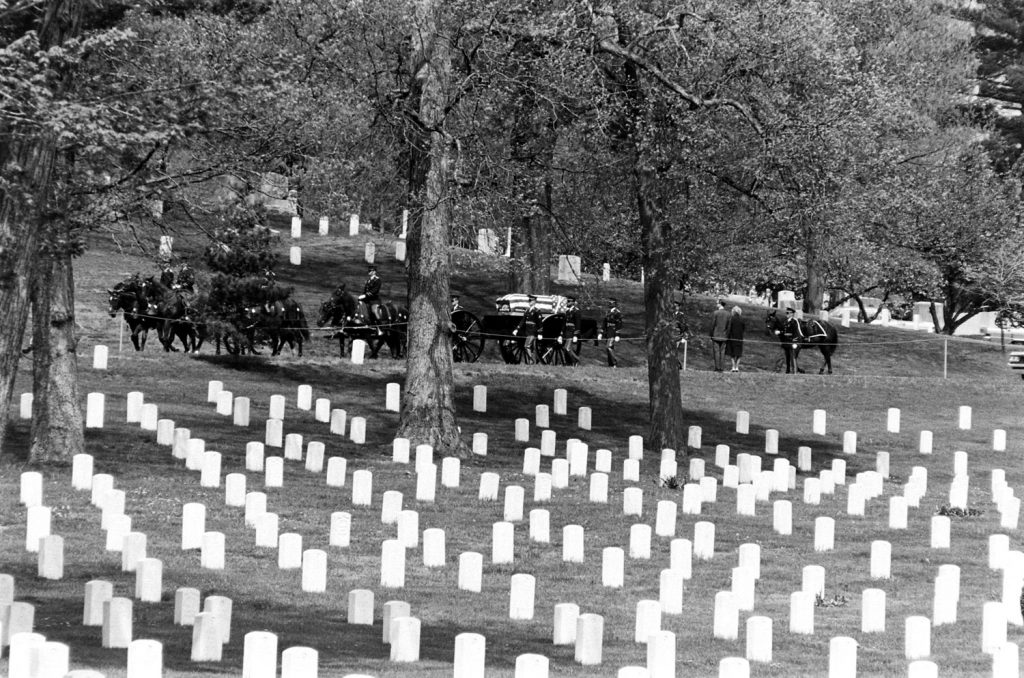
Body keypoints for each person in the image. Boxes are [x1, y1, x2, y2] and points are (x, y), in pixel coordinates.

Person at [513, 294, 543, 361]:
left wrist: (540, 333)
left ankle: (532, 360)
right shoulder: (527, 310)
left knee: (527, 346)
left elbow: (540, 323)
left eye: (531, 301)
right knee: (529, 347)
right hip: (527, 331)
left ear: (534, 301)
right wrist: (517, 329)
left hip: (533, 331)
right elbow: (523, 321)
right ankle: (531, 361)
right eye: (529, 300)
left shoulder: (537, 311)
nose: (529, 302)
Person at [599, 298, 623, 367]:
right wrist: (601, 332)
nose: (610, 304)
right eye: (609, 303)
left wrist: (617, 334)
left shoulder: (617, 313)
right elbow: (604, 323)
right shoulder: (608, 312)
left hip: (613, 332)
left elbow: (619, 324)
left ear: (615, 304)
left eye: (611, 303)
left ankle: (614, 362)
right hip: (608, 332)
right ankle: (610, 364)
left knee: (608, 347)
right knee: (609, 348)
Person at [709, 298, 731, 372]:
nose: (716, 304)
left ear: (720, 304)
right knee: (722, 352)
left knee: (716, 352)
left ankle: (717, 367)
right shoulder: (728, 314)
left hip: (716, 335)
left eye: (717, 303)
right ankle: (721, 367)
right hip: (724, 336)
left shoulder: (715, 313)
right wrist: (727, 335)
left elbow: (712, 325)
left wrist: (711, 335)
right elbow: (729, 327)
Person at [359, 265, 383, 332]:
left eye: (370, 270)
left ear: (374, 272)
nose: (368, 271)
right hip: (367, 300)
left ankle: (380, 328)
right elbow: (365, 290)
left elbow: (374, 291)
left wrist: (365, 295)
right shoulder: (368, 280)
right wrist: (362, 296)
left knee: (374, 311)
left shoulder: (377, 280)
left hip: (374, 300)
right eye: (368, 270)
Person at [725, 305, 745, 372]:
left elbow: (729, 328)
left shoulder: (731, 319)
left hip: (732, 338)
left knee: (732, 353)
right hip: (739, 338)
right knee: (738, 353)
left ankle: (733, 366)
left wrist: (727, 336)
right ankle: (737, 367)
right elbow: (744, 329)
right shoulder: (742, 319)